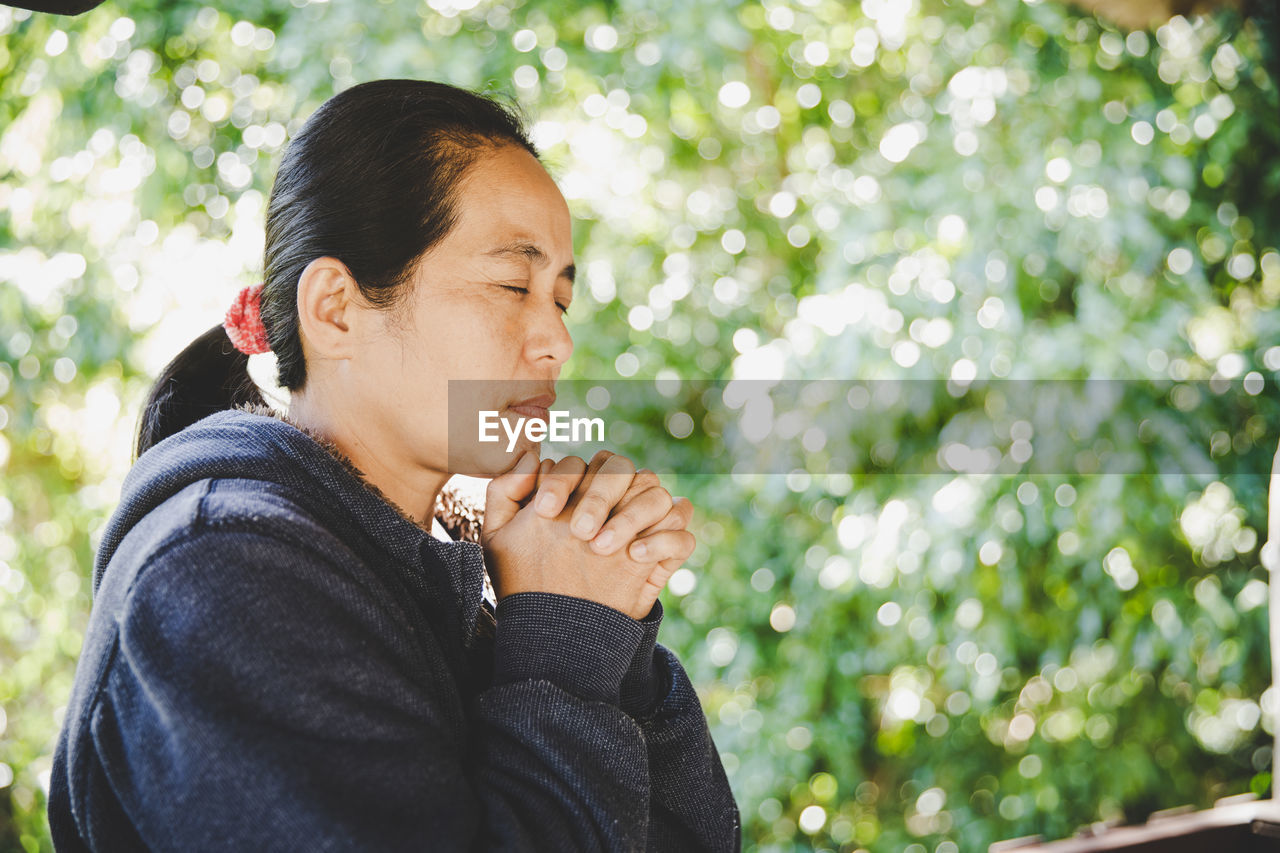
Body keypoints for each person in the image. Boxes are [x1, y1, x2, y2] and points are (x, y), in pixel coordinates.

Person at [47, 78, 742, 851]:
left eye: (561, 299)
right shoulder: (221, 571)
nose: (556, 342)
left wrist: (602, 612)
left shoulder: (440, 575)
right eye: (513, 284)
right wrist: (563, 647)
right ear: (336, 308)